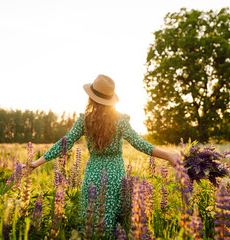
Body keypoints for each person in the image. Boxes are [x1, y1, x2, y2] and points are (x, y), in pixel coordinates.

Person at [27, 74, 179, 237]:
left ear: (91, 98)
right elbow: (140, 144)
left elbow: (64, 144)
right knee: (117, 229)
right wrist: (169, 155)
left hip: (92, 178)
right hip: (115, 179)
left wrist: (37, 162)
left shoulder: (85, 120)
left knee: (91, 228)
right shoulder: (120, 120)